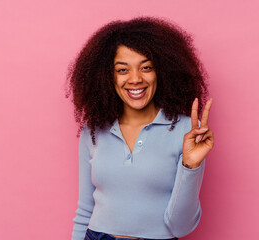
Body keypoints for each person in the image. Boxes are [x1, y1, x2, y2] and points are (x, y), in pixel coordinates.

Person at [66, 16, 214, 240]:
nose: (135, 79)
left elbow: (181, 227)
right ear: (108, 77)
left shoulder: (188, 132)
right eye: (122, 70)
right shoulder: (93, 131)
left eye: (146, 67)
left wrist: (190, 165)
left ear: (162, 71)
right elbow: (85, 209)